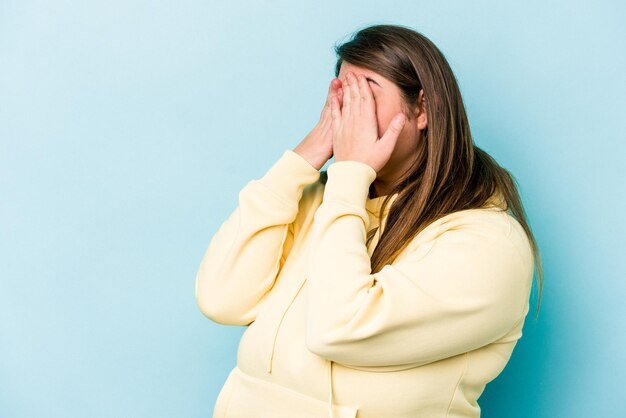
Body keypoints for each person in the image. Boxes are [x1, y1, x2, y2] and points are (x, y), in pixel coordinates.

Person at [195, 23, 543, 418]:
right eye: (344, 98)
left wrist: (349, 174)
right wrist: (301, 160)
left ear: (423, 109)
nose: (350, 116)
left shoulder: (489, 244)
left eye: (367, 97)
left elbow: (339, 329)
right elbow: (222, 299)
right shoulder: (319, 199)